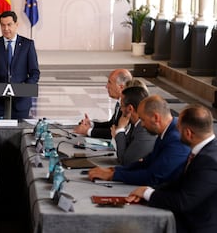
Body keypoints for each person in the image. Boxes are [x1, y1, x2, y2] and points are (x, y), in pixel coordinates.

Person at [126, 105, 217, 233]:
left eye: (178, 129)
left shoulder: (209, 161)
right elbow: (180, 184)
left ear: (188, 133)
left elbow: (183, 202)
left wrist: (148, 193)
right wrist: (147, 192)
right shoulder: (204, 151)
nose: (176, 132)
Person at [88, 95, 190, 186]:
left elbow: (153, 176)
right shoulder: (168, 129)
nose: (142, 125)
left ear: (156, 118)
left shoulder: (177, 139)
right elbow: (148, 161)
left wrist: (113, 175)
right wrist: (113, 170)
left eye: (143, 120)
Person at [0, 11, 40, 119]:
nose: (6, 28)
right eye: (3, 25)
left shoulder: (28, 45)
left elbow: (35, 73)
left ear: (16, 24)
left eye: (9, 24)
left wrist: (24, 87)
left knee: (19, 134)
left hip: (21, 102)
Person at [74, 68, 132, 139]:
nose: (106, 86)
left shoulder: (127, 106)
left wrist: (88, 131)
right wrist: (92, 124)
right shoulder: (119, 102)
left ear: (121, 87)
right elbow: (111, 124)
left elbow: (114, 132)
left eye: (110, 82)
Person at [111, 86, 156, 165]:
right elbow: (127, 150)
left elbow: (125, 160)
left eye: (121, 105)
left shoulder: (144, 130)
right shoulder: (134, 124)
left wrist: (120, 130)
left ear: (130, 108)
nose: (121, 109)